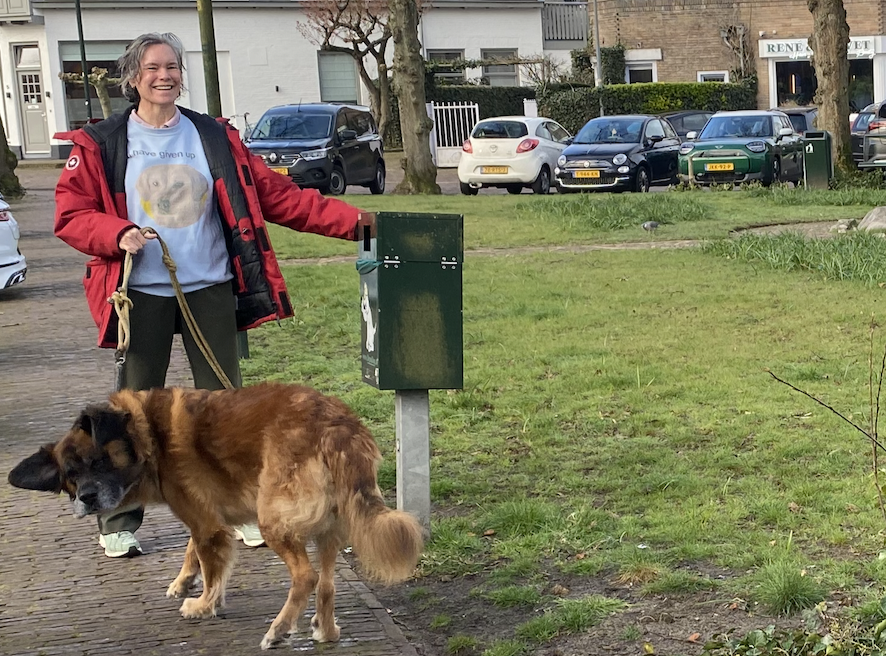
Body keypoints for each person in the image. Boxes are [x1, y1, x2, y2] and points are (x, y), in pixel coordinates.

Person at [53, 32, 365, 558]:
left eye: (172, 66)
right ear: (133, 78)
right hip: (140, 293)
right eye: (153, 68)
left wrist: (358, 224)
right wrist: (116, 232)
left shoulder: (214, 136)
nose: (164, 76)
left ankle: (238, 510)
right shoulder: (101, 142)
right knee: (130, 414)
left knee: (224, 409)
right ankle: (118, 519)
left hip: (210, 287)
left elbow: (279, 197)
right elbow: (71, 214)